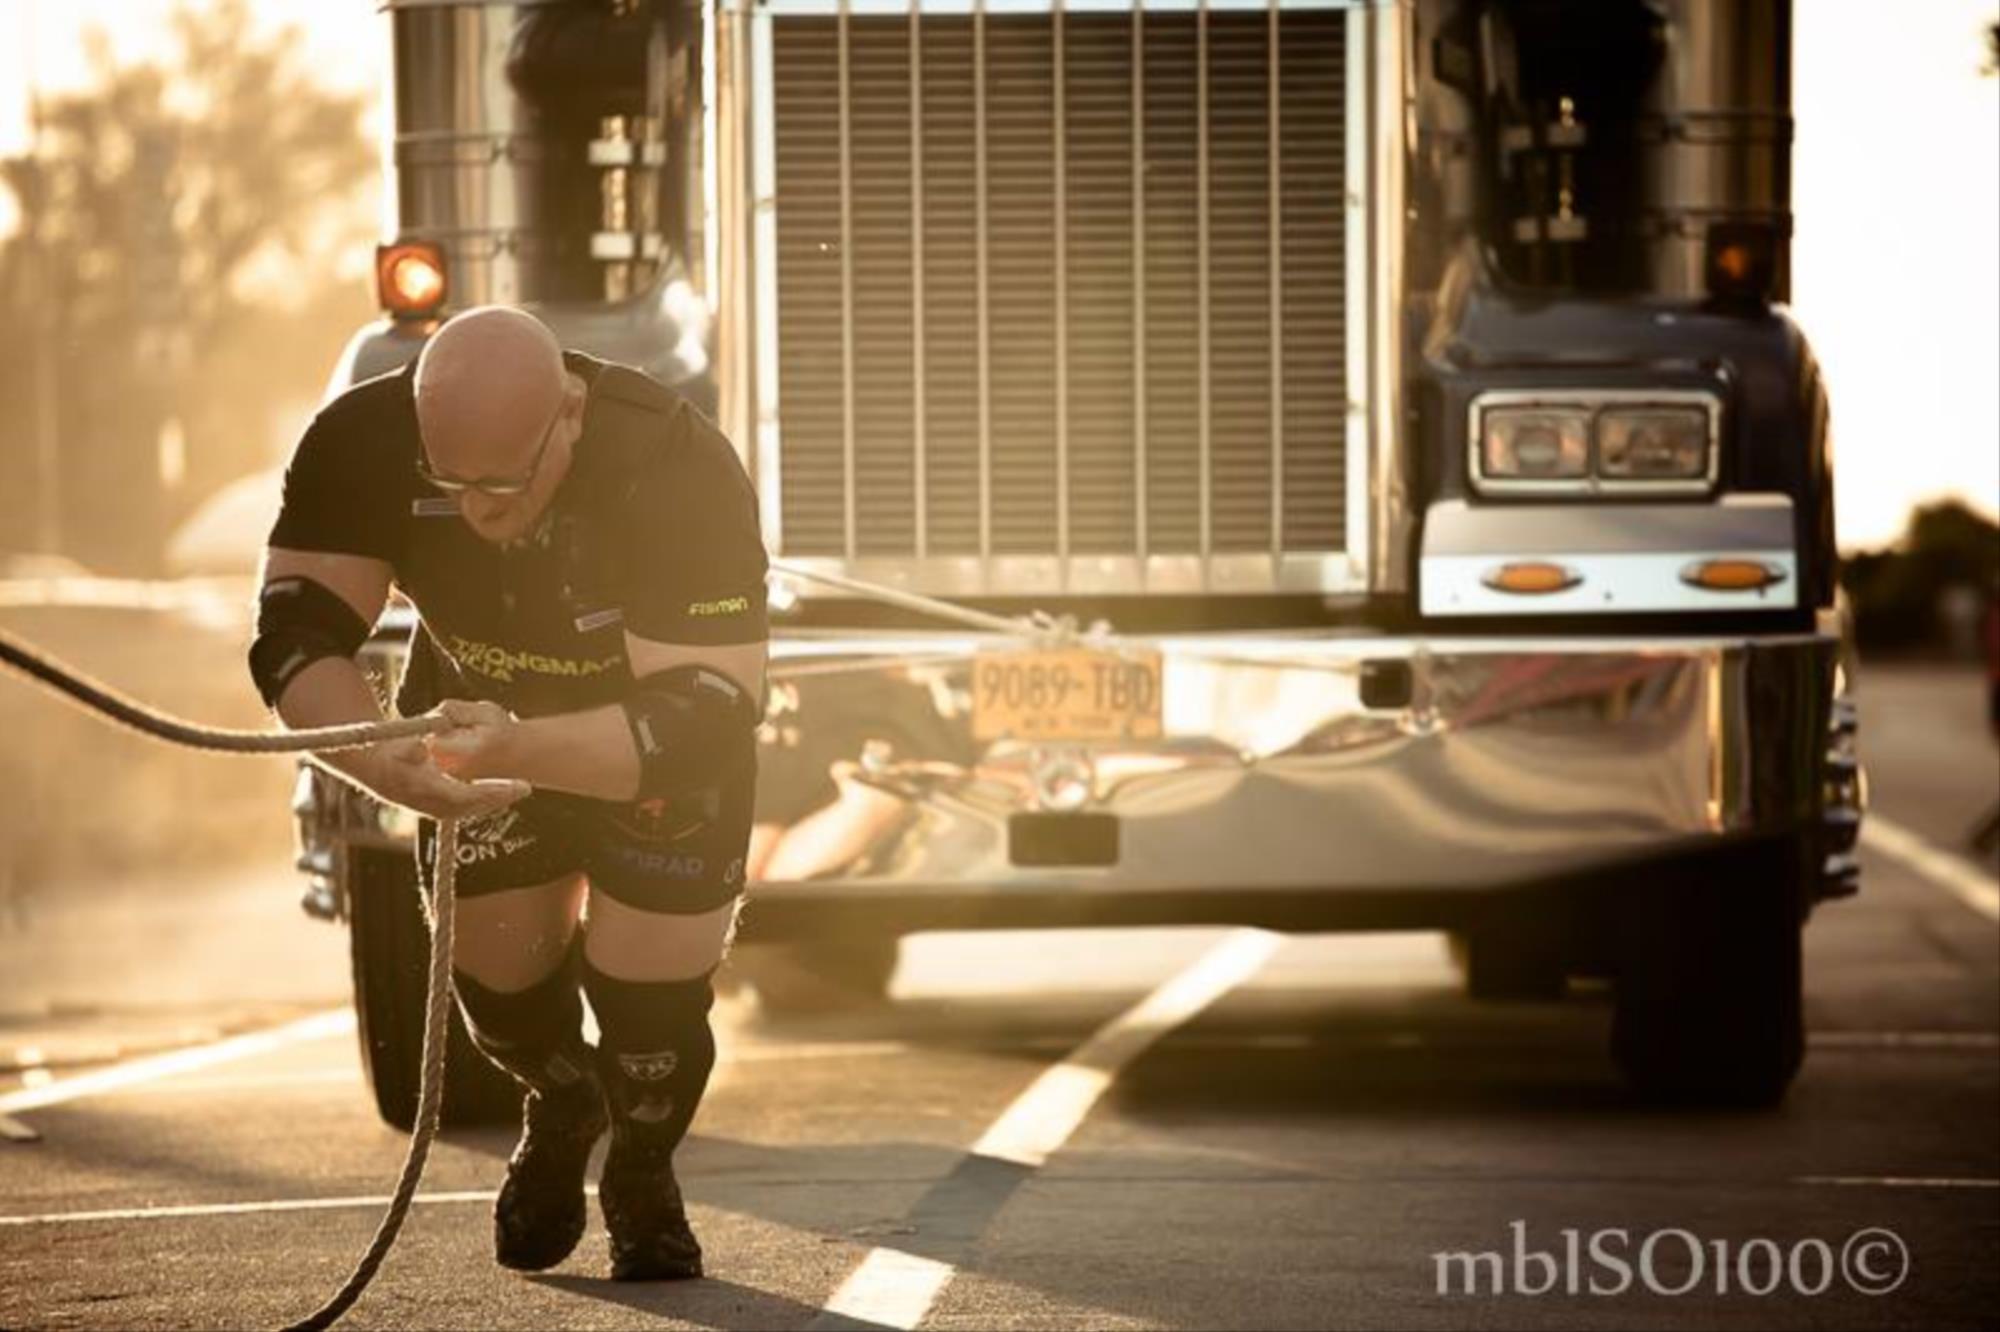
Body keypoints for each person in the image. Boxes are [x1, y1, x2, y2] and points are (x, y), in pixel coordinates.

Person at [249, 306, 768, 1281]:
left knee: (650, 1015)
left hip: (648, 740)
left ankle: (643, 1168)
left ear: (568, 414)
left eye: (505, 482)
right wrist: (378, 762)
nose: (480, 509)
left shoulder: (673, 462)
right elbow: (292, 637)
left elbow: (705, 712)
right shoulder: (361, 442)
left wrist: (524, 746)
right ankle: (562, 1100)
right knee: (496, 984)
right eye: (454, 485)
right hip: (480, 722)